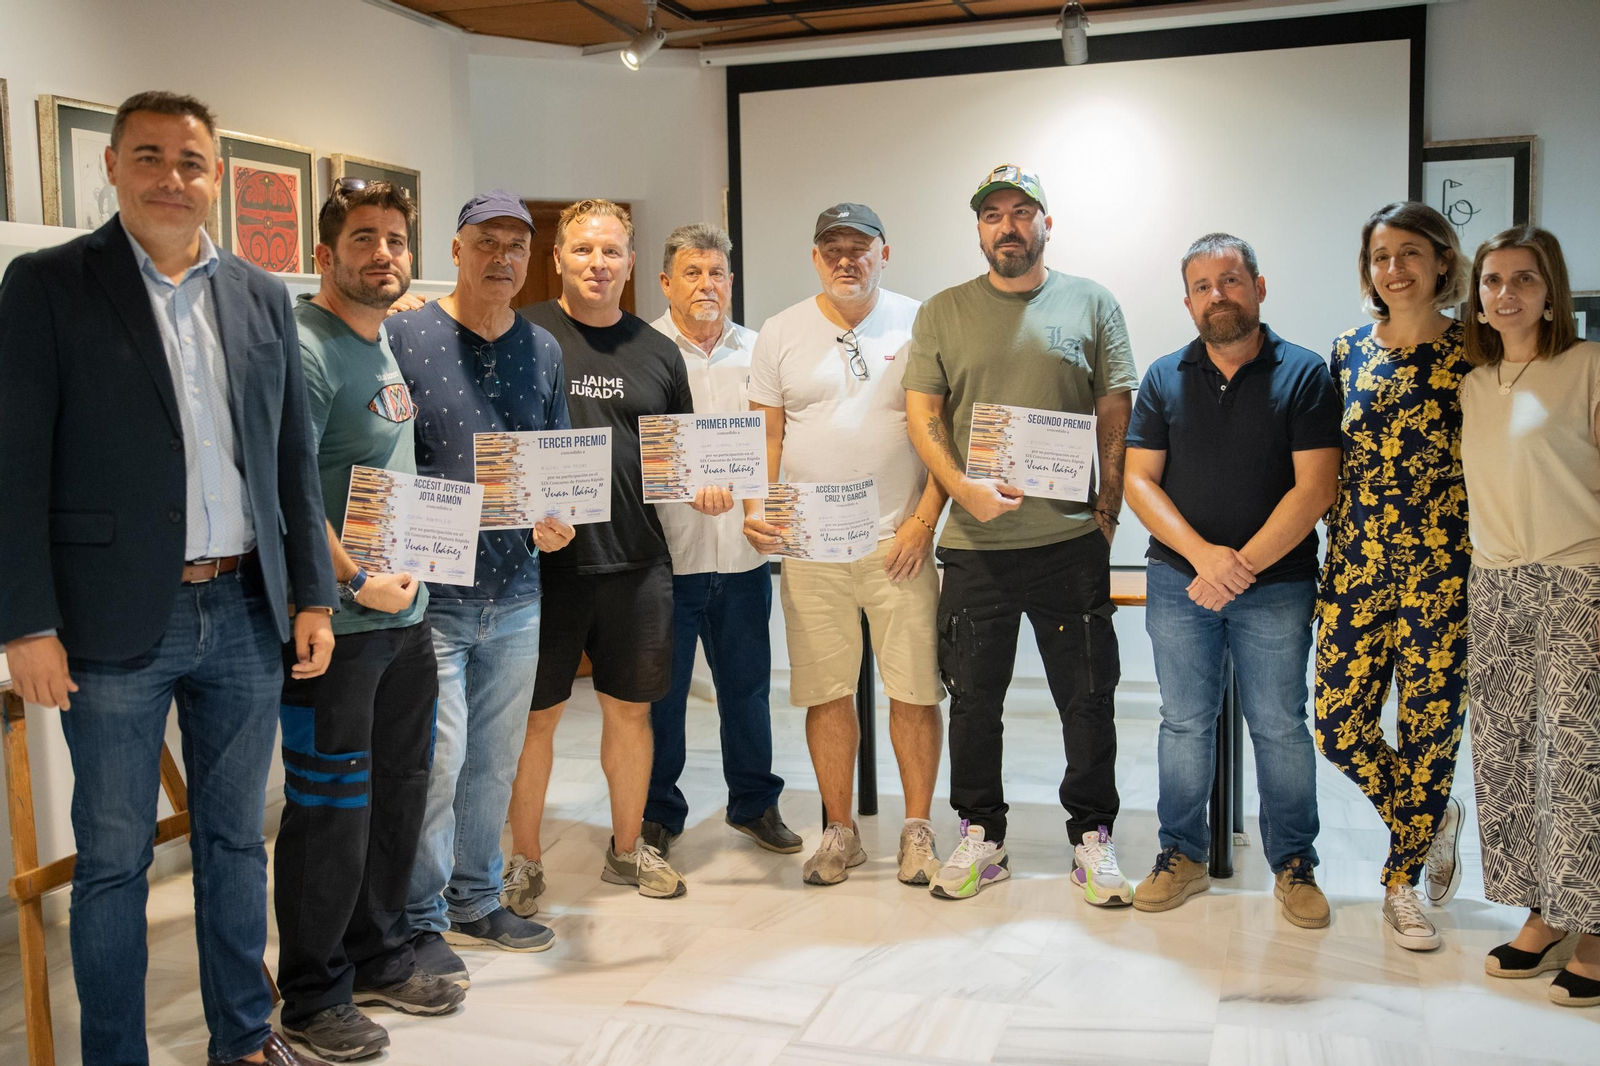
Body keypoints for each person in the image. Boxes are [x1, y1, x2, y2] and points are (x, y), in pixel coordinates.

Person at [0, 91, 337, 1066]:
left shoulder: (262, 294)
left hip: (244, 607)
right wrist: (24, 621)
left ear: (215, 176)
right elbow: (14, 462)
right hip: (110, 622)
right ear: (111, 166)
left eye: (190, 161)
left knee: (235, 841)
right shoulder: (48, 284)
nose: (170, 177)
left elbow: (290, 456)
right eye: (147, 156)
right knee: (114, 859)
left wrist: (312, 593)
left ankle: (244, 1038)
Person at [273, 180, 466, 1061]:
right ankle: (313, 997)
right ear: (325, 254)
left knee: (398, 791)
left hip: (405, 617)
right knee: (328, 811)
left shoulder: (382, 338)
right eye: (363, 238)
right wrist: (352, 581)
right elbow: (289, 486)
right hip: (338, 627)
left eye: (394, 238)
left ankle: (378, 953)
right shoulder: (305, 348)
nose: (383, 253)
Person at [904, 165, 1135, 904]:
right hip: (977, 549)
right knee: (974, 702)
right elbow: (924, 417)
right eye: (993, 214)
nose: (1008, 225)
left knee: (1087, 698)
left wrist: (1106, 514)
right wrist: (962, 491)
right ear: (979, 229)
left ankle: (1092, 838)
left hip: (1069, 544)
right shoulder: (943, 311)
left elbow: (1115, 411)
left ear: (1046, 223)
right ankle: (983, 836)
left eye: (1022, 211)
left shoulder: (1092, 302)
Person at [509, 199, 728, 904]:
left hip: (637, 564)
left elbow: (680, 456)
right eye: (583, 250)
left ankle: (629, 850)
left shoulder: (658, 352)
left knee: (631, 714)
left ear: (631, 264)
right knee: (534, 720)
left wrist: (706, 487)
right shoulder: (519, 333)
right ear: (558, 258)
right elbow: (495, 443)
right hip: (541, 570)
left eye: (611, 252)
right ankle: (523, 860)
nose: (597, 264)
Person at [1124, 233, 1339, 929]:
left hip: (1276, 586)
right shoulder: (1163, 377)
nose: (1218, 295)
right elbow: (1138, 481)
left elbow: (1316, 489)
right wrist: (1204, 559)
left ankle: (1294, 863)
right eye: (1203, 286)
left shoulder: (1304, 373)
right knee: (1184, 722)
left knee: (1278, 725)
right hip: (1179, 584)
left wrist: (1236, 566)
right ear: (1188, 302)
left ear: (1259, 287)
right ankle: (1181, 855)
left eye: (1231, 280)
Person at [391, 191, 573, 975]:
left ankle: (476, 898)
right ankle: (419, 918)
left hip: (517, 593)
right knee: (437, 762)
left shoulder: (543, 349)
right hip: (432, 597)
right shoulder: (404, 336)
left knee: (494, 759)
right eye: (486, 242)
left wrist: (559, 519)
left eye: (515, 246)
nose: (501, 258)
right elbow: (378, 453)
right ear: (456, 250)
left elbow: (555, 460)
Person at [743, 202, 947, 888]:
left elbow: (941, 433)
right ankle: (841, 831)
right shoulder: (781, 331)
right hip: (810, 547)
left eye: (859, 247)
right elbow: (766, 436)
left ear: (884, 254)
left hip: (899, 543)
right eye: (831, 248)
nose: (845, 260)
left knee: (914, 690)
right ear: (814, 258)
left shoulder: (921, 322)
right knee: (826, 692)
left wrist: (923, 523)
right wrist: (756, 508)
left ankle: (917, 830)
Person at [1313, 201, 1472, 951]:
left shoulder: (1473, 351)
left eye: (1410, 253)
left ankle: (1400, 884)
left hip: (1443, 574)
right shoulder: (1347, 351)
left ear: (1442, 261)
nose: (1394, 268)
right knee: (1338, 727)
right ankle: (1432, 817)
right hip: (1356, 570)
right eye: (1381, 256)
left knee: (1427, 731)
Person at [1460, 225, 1600, 1008]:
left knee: (1579, 764)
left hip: (1578, 579)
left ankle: (1598, 928)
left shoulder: (1589, 367)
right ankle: (1545, 912)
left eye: (1524, 279)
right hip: (1495, 584)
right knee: (1510, 761)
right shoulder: (1475, 383)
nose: (1505, 293)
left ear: (1551, 292)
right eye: (1492, 280)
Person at [641, 223, 799, 856]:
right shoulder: (642, 351)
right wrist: (684, 484)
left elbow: (774, 444)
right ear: (665, 282)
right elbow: (636, 449)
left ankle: (755, 804)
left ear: (731, 281)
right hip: (666, 555)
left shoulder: (760, 352)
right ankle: (657, 811)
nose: (705, 285)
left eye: (716, 273)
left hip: (742, 553)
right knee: (662, 697)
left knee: (748, 690)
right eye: (692, 273)